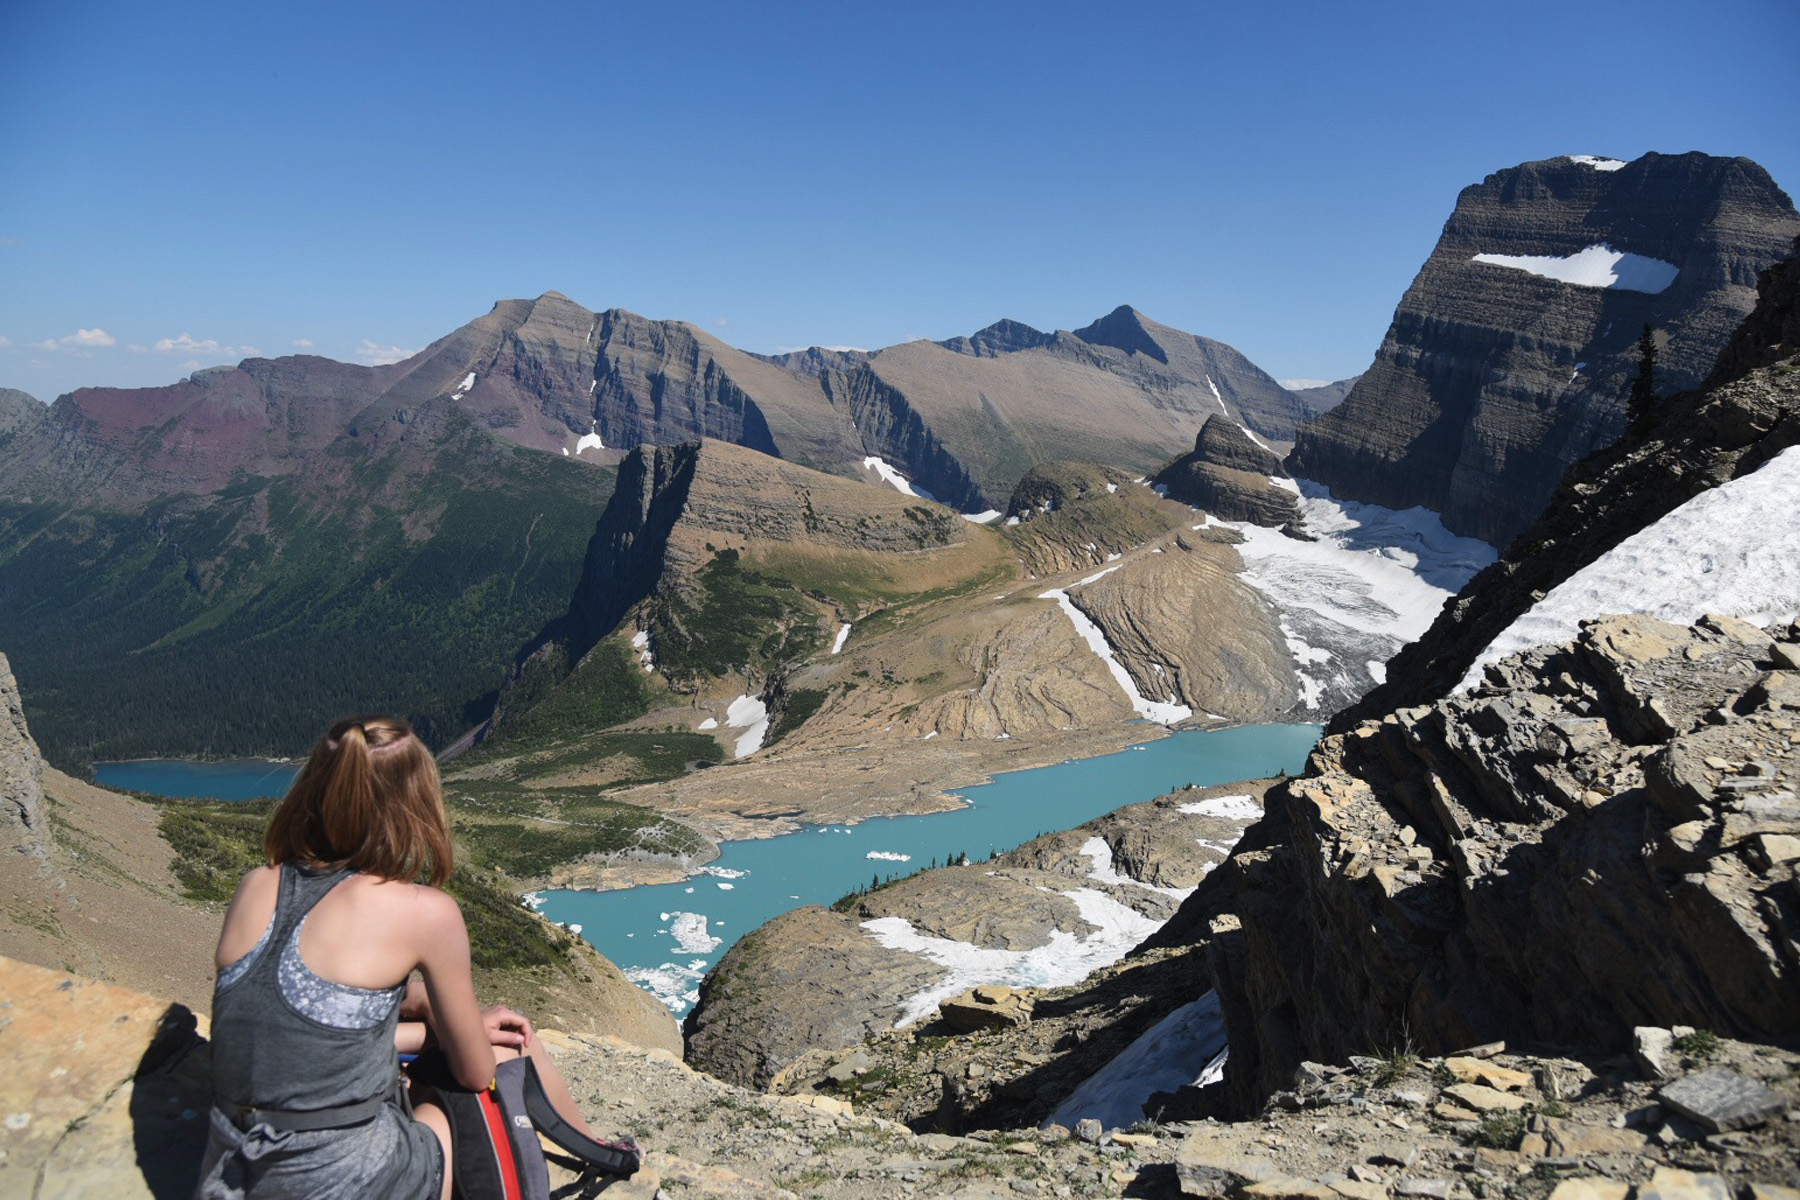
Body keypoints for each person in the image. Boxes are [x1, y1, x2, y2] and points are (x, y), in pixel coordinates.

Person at [193, 716, 595, 1200]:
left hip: (230, 1169)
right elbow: (474, 1071)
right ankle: (596, 1159)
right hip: (339, 1178)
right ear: (416, 804)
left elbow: (297, 1037)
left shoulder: (257, 885)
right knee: (509, 1050)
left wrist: (423, 1011)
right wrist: (445, 1027)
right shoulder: (425, 912)